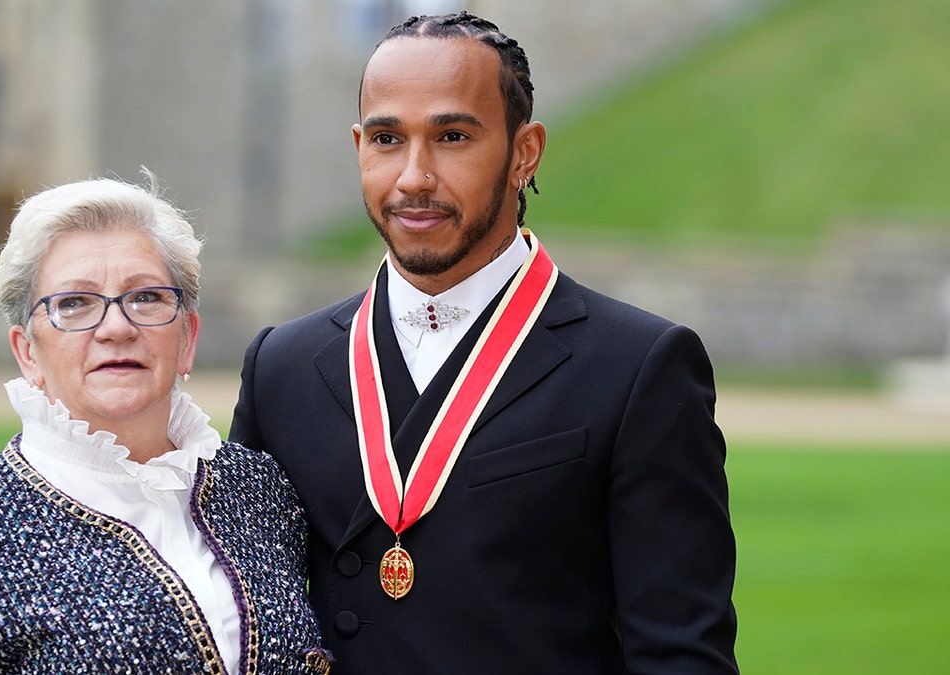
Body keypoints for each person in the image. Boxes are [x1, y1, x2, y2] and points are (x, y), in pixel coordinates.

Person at [230, 11, 737, 673]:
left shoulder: (640, 366)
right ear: (359, 146)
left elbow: (680, 658)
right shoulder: (281, 368)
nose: (414, 175)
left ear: (524, 153)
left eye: (451, 136)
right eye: (387, 138)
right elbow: (235, 617)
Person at [0, 176, 331, 674]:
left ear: (187, 337)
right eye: (74, 303)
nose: (117, 327)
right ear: (27, 351)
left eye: (146, 297)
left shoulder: (260, 489)